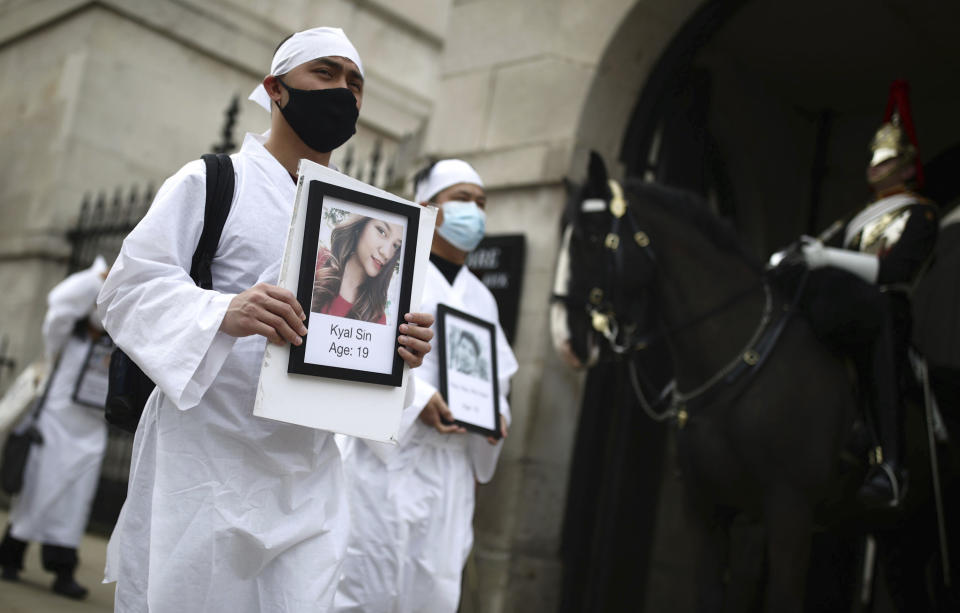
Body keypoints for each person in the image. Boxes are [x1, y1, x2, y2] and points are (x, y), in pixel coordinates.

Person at [97, 27, 434, 612]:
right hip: (206, 465)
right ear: (275, 89)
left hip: (309, 475)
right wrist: (222, 310)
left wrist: (397, 352)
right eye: (324, 75)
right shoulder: (212, 181)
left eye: (354, 84)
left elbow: (363, 364)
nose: (343, 92)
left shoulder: (364, 220)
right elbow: (128, 289)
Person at [334, 159, 518, 612]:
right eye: (462, 199)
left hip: (449, 475)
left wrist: (496, 418)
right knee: (362, 588)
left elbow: (497, 382)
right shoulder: (391, 275)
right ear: (427, 207)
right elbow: (353, 353)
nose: (474, 211)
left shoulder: (484, 299)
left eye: (481, 203)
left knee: (433, 591)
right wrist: (418, 403)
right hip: (384, 465)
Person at [783, 81, 938, 508]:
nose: (874, 165)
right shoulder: (852, 219)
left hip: (886, 305)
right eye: (873, 156)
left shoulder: (920, 213)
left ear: (908, 168)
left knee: (883, 314)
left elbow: (893, 270)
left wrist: (828, 256)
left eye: (887, 158)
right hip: (841, 306)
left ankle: (889, 463)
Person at [0, 256, 111, 599]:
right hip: (52, 429)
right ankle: (11, 557)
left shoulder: (118, 346)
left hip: (90, 436)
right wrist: (99, 279)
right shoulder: (65, 337)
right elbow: (59, 304)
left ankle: (63, 570)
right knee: (36, 495)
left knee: (74, 505)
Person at [313, 214, 403, 324]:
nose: (386, 253)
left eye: (395, 246)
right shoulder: (317, 261)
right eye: (382, 231)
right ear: (360, 227)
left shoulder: (377, 318)